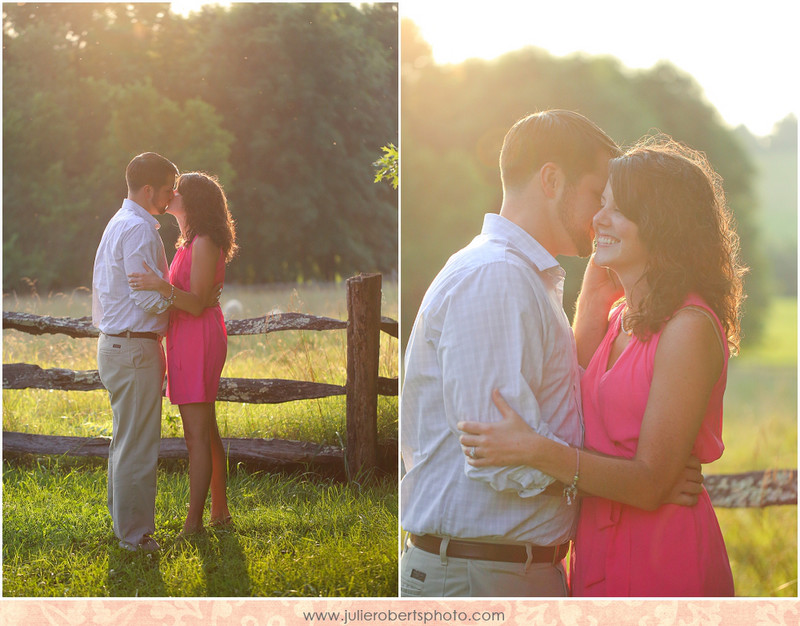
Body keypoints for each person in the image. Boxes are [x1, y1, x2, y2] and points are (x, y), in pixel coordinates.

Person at [400, 111, 702, 597]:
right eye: (596, 194)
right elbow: (502, 460)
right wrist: (640, 482)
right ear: (551, 179)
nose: (600, 214)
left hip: (497, 571)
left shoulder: (522, 277)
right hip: (479, 577)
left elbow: (549, 420)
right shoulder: (496, 278)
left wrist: (640, 471)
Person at [458, 135, 743, 596]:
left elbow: (651, 483)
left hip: (661, 554)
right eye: (601, 203)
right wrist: (593, 290)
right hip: (597, 547)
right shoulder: (618, 319)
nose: (597, 219)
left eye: (617, 210)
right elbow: (569, 410)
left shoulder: (688, 328)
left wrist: (533, 449)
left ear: (661, 223)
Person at [128, 172, 237, 535]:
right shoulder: (187, 242)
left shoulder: (204, 241)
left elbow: (197, 304)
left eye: (178, 189)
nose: (171, 193)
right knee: (206, 430)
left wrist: (161, 286)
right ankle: (219, 512)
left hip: (199, 337)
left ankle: (194, 525)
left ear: (192, 201)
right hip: (186, 337)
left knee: (195, 436)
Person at [92, 152, 179, 552]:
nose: (170, 197)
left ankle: (123, 525)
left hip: (119, 347)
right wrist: (179, 298)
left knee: (126, 441)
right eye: (166, 190)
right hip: (134, 349)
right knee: (139, 447)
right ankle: (135, 536)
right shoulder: (140, 230)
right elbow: (146, 299)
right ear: (148, 190)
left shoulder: (118, 222)